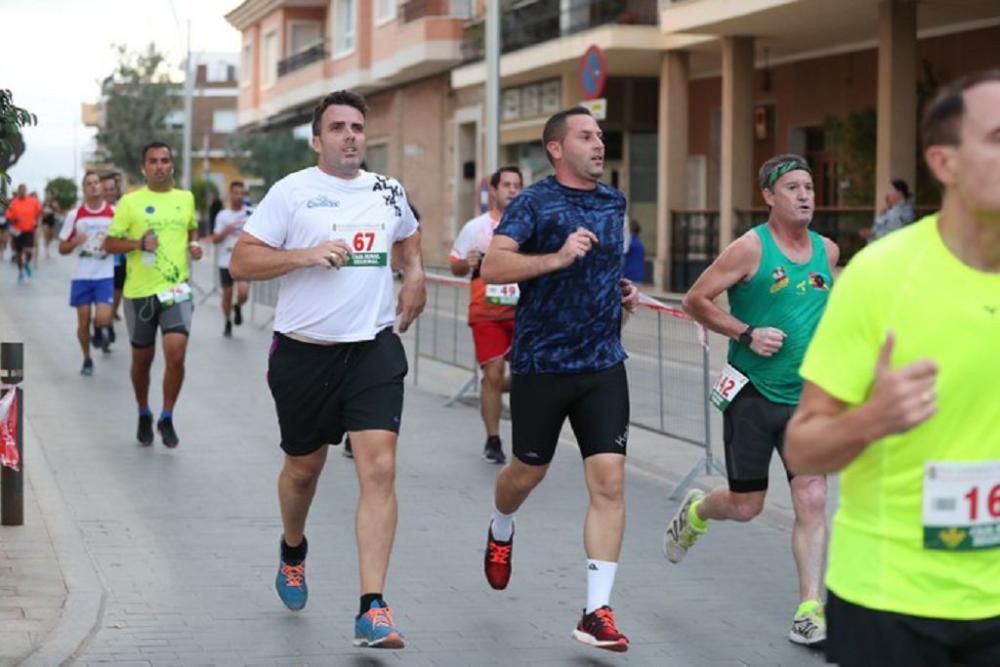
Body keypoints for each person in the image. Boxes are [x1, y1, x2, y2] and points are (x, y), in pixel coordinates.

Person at [785, 70, 1000, 667]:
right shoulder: (881, 278)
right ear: (944, 162)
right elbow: (802, 449)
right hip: (891, 603)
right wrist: (870, 420)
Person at [229, 90, 425, 650]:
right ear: (318, 140)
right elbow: (242, 261)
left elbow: (409, 235)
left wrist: (415, 274)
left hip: (372, 349)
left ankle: (372, 608)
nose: (350, 136)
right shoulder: (292, 192)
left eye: (357, 127)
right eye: (338, 127)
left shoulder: (388, 190)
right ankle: (294, 548)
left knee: (380, 469)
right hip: (304, 352)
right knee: (303, 470)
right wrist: (303, 255)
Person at [479, 107, 640, 652]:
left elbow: (601, 267)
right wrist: (555, 258)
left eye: (601, 135)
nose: (599, 143)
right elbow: (493, 268)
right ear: (556, 147)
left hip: (601, 364)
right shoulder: (533, 203)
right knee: (527, 473)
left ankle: (596, 611)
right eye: (587, 136)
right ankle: (501, 524)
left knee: (610, 483)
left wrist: (619, 288)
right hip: (543, 365)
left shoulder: (613, 201)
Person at [664, 153, 839, 646]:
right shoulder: (748, 250)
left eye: (808, 186)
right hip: (753, 396)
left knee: (813, 497)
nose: (804, 194)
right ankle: (699, 510)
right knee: (746, 507)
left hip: (808, 400)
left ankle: (810, 607)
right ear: (768, 196)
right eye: (792, 187)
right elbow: (694, 300)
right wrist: (746, 333)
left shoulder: (828, 251)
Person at [103, 142, 202, 448]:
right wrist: (137, 245)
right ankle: (144, 411)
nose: (160, 166)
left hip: (176, 290)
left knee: (176, 354)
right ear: (144, 168)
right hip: (139, 293)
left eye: (165, 160)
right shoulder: (130, 203)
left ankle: (167, 416)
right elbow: (109, 244)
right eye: (153, 161)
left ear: (172, 165)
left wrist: (194, 246)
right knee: (142, 361)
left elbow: (191, 230)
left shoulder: (185, 198)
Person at [448, 166, 523, 464]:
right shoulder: (475, 227)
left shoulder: (531, 225)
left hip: (524, 311)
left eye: (517, 185)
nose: (512, 190)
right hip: (486, 311)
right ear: (493, 190)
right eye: (506, 184)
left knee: (527, 377)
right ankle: (493, 440)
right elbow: (455, 264)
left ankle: (493, 399)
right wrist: (466, 263)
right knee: (493, 374)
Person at [58, 172, 116, 375]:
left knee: (103, 317)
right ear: (84, 189)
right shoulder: (75, 215)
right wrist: (74, 242)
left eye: (96, 182)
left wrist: (112, 245)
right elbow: (62, 248)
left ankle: (100, 328)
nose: (94, 186)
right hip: (81, 277)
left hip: (104, 275)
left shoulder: (113, 213)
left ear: (101, 186)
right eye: (89, 183)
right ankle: (87, 358)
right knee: (82, 323)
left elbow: (121, 242)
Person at [208, 180, 251, 337]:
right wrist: (227, 230)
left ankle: (238, 306)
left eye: (241, 193)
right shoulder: (222, 215)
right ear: (229, 194)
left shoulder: (249, 213)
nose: (238, 196)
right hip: (226, 261)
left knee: (243, 293)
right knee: (227, 294)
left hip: (244, 261)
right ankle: (227, 320)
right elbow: (215, 239)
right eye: (235, 193)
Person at [101, 172, 124, 342]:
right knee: (102, 298)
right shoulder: (94, 209)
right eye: (105, 189)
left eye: (112, 189)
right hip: (99, 262)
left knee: (117, 294)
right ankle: (103, 322)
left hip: (119, 260)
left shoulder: (123, 208)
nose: (109, 192)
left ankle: (109, 319)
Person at [5, 184, 42, 283]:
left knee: (29, 250)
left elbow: (39, 213)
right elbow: (8, 217)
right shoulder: (13, 203)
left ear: (26, 191)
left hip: (29, 230)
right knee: (18, 253)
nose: (22, 192)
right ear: (18, 192)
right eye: (20, 190)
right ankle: (20, 272)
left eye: (24, 190)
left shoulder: (33, 201)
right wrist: (14, 220)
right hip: (17, 231)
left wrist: (37, 223)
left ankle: (26, 264)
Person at [861, 178, 915, 243]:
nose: (888, 194)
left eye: (891, 190)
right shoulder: (891, 210)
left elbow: (893, 234)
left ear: (899, 193)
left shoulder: (903, 212)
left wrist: (872, 234)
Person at [41, 194, 59, 259]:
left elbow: (57, 211)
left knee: (51, 236)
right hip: (45, 221)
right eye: (47, 197)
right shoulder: (44, 204)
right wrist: (44, 214)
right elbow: (41, 211)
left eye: (50, 197)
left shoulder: (54, 203)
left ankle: (47, 244)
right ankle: (46, 250)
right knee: (46, 234)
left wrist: (54, 208)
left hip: (52, 220)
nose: (49, 198)